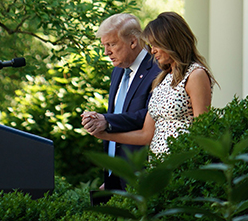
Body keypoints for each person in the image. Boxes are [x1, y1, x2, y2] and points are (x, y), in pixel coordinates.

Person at [86, 11, 215, 158]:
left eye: (155, 45)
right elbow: (146, 135)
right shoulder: (163, 77)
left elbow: (203, 130)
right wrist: (102, 134)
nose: (152, 51)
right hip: (157, 168)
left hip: (181, 165)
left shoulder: (195, 74)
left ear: (171, 43)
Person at [81, 13, 162, 191]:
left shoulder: (157, 69)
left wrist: (107, 121)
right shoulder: (118, 70)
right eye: (104, 45)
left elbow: (148, 115)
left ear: (133, 41)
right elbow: (120, 113)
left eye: (111, 44)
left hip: (140, 176)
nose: (106, 52)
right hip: (114, 176)